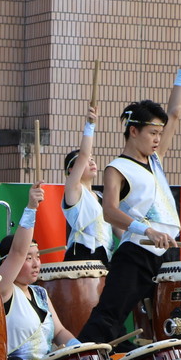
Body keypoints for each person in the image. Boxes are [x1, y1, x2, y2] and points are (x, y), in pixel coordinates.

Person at [75, 51, 181, 345]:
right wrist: (146, 229)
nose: (158, 138)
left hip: (169, 251)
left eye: (160, 132)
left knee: (173, 323)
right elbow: (109, 212)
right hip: (137, 254)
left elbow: (176, 113)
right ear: (133, 131)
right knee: (109, 316)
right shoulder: (116, 168)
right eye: (152, 132)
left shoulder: (156, 160)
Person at [0, 184, 80, 360]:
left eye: (38, 257)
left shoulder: (40, 292)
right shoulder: (2, 290)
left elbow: (59, 331)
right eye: (28, 258)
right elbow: (17, 251)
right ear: (8, 264)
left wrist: (78, 349)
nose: (36, 264)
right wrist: (31, 207)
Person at [62, 104, 111, 263]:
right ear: (71, 170)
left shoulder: (101, 196)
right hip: (82, 254)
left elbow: (118, 228)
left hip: (104, 254)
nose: (90, 162)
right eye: (84, 160)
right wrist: (90, 125)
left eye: (92, 159)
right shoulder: (74, 190)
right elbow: (83, 153)